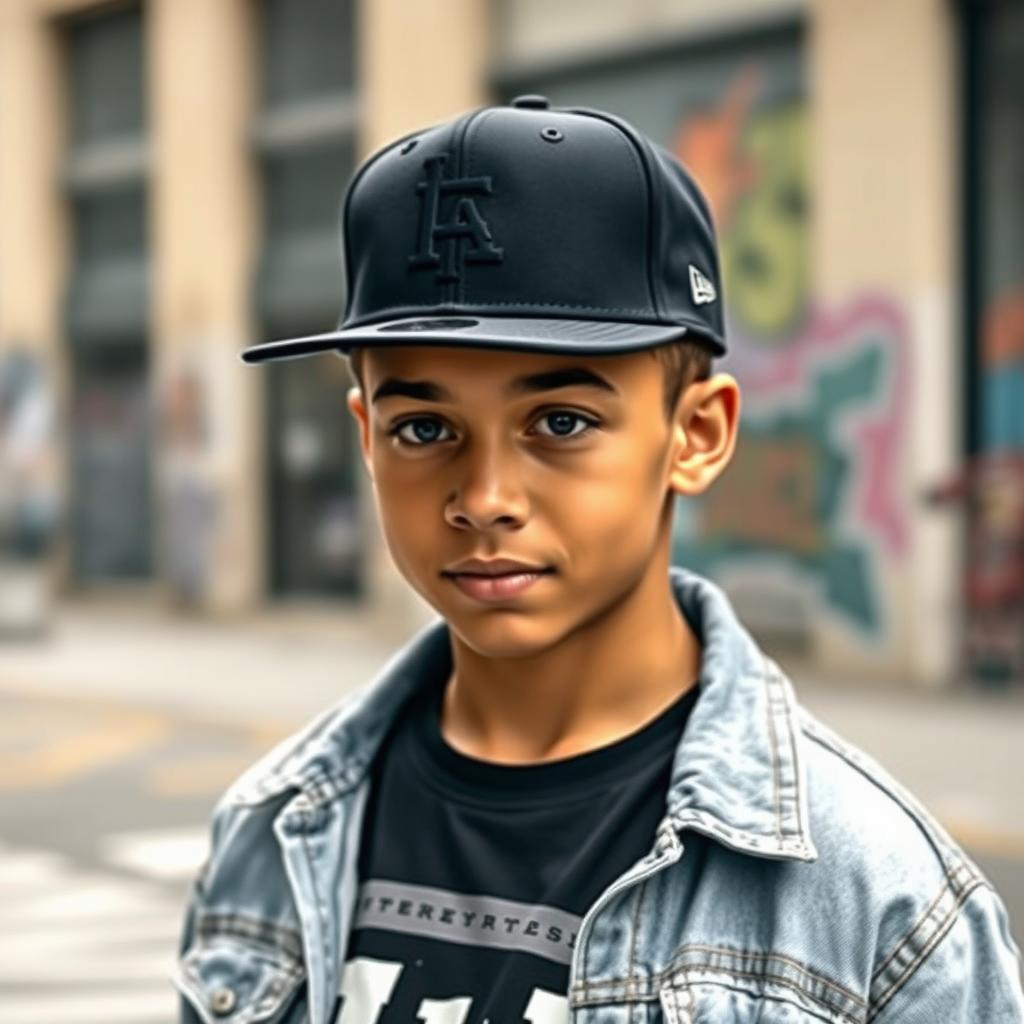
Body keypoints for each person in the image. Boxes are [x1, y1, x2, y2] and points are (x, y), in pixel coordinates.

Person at [175, 96, 1024, 1024]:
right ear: (366, 439)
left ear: (696, 435)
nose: (484, 497)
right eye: (423, 428)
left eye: (561, 421)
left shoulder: (883, 906)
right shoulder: (273, 829)